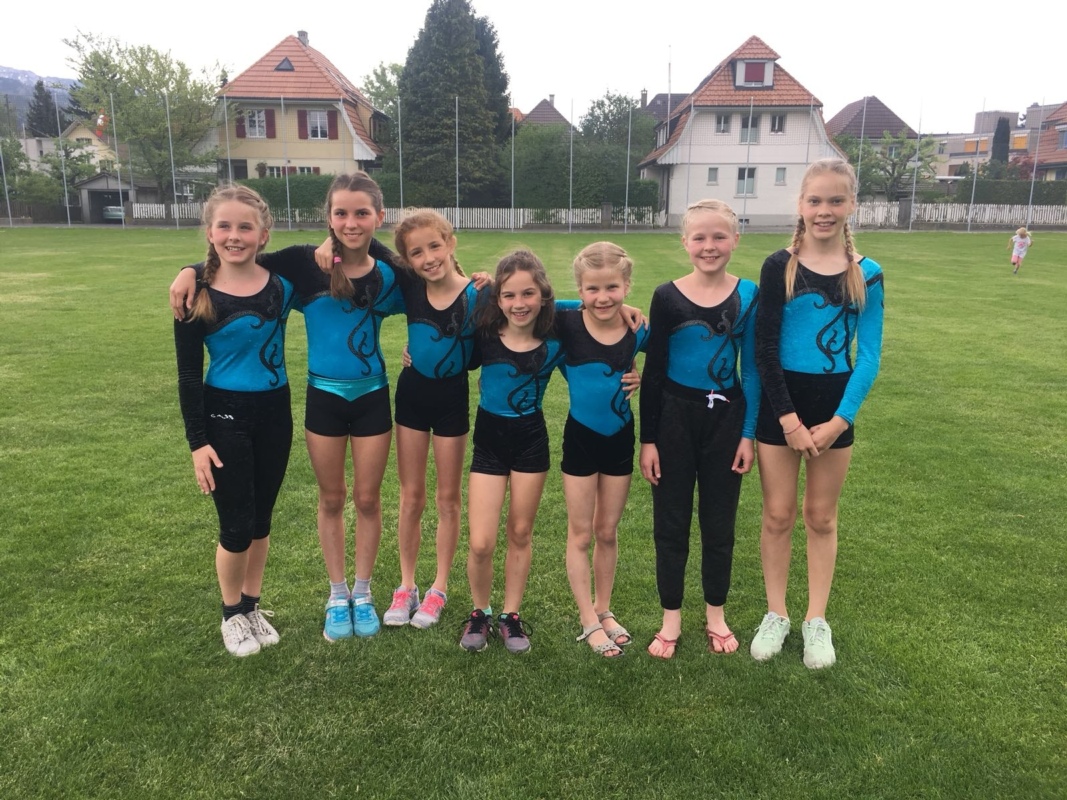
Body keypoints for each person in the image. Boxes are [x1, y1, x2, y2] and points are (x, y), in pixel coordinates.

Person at [171, 172, 403, 642]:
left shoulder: (366, 277)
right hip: (286, 405)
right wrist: (190, 270)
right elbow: (235, 265)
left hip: (328, 404)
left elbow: (422, 275)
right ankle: (265, 608)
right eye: (339, 214)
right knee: (282, 511)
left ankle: (349, 595)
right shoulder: (293, 269)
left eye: (361, 213)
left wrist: (473, 281)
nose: (350, 222)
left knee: (329, 506)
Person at [752, 158, 885, 670]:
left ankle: (816, 619)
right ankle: (776, 613)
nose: (824, 210)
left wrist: (840, 420)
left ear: (851, 205)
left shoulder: (867, 273)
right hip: (780, 406)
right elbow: (764, 349)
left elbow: (868, 355)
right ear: (801, 205)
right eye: (815, 200)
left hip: (834, 407)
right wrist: (787, 419)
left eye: (835, 200)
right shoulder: (778, 266)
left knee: (821, 516)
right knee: (778, 514)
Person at [174, 185, 295, 657]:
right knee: (236, 524)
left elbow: (336, 252)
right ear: (210, 232)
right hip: (224, 417)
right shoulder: (195, 294)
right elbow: (188, 377)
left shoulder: (283, 282)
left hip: (275, 414)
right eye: (224, 226)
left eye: (246, 227)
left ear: (263, 234)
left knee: (261, 520)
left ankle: (251, 606)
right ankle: (231, 615)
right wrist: (197, 443)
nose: (234, 235)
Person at [639, 199, 760, 660]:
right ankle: (671, 617)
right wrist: (649, 440)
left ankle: (715, 614)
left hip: (726, 421)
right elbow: (654, 370)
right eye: (700, 237)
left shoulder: (748, 294)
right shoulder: (667, 295)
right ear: (685, 242)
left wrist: (747, 434)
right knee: (670, 522)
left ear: (735, 240)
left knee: (719, 522)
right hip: (673, 418)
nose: (710, 246)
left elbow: (753, 371)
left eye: (719, 236)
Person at [379, 210, 483, 629]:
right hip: (411, 398)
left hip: (451, 401)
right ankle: (406, 586)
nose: (428, 258)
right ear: (407, 260)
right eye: (416, 253)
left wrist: (613, 309)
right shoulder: (409, 286)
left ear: (450, 242)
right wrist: (332, 243)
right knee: (411, 496)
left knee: (448, 498)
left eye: (434, 246)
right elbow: (365, 249)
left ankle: (438, 587)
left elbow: (540, 304)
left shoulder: (478, 294)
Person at [556, 242, 649, 658]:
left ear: (626, 285)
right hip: (580, 438)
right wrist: (591, 302)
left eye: (612, 287)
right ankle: (588, 621)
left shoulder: (638, 329)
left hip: (620, 438)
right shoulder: (566, 322)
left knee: (607, 531)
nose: (603, 297)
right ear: (580, 290)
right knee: (580, 533)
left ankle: (604, 609)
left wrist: (642, 377)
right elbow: (536, 300)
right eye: (592, 289)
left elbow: (672, 358)